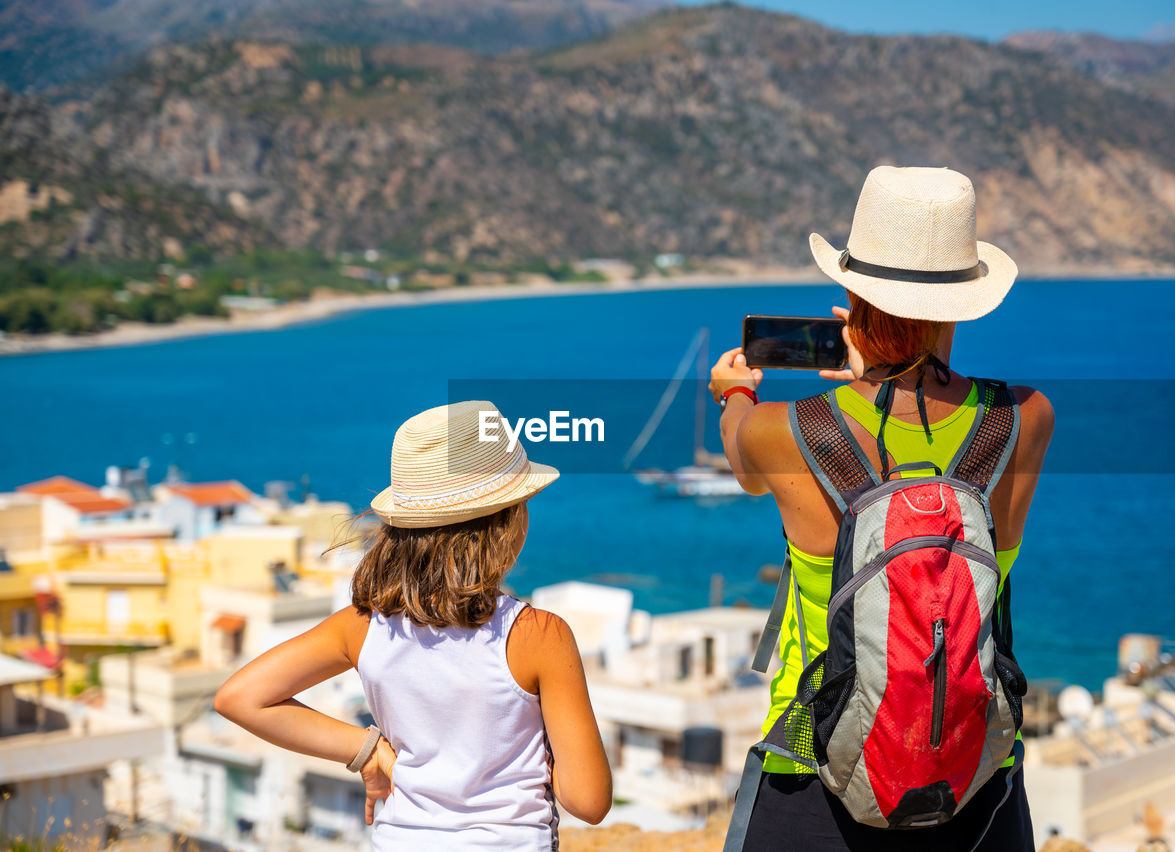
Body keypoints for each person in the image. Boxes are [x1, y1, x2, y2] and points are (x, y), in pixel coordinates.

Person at [710, 166, 1054, 850]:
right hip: (975, 775)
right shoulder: (1024, 418)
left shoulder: (792, 429)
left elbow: (745, 466)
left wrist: (736, 394)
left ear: (850, 294)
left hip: (815, 764)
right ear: (962, 304)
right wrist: (878, 376)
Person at [214, 400, 612, 850]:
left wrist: (367, 750)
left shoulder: (360, 626)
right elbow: (589, 801)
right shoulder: (539, 635)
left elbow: (239, 698)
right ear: (507, 522)